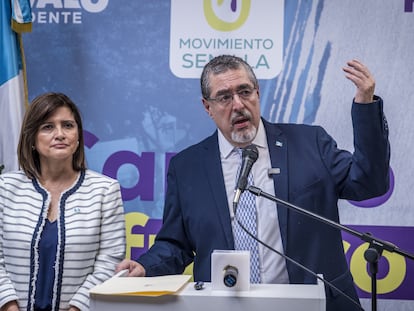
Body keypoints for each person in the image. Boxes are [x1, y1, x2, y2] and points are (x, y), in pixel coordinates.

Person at [116, 55, 390, 311]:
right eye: (224, 97)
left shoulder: (310, 144)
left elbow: (370, 183)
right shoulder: (187, 167)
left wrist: (365, 107)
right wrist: (145, 268)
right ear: (207, 107)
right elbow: (175, 244)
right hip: (228, 305)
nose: (238, 104)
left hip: (314, 303)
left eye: (245, 92)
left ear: (258, 93)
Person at [0, 93, 126, 311]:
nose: (60, 134)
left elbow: (109, 262)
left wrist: (76, 309)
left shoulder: (105, 190)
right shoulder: (4, 187)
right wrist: (8, 307)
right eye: (48, 127)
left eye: (68, 125)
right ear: (31, 138)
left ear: (78, 137)